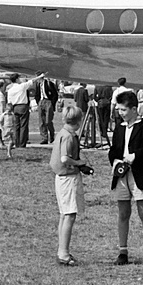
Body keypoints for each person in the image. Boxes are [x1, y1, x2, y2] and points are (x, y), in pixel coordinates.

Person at [109, 91, 143, 265]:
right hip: (122, 175)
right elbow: (114, 149)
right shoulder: (119, 127)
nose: (120, 113)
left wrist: (136, 156)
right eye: (119, 110)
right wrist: (115, 160)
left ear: (134, 109)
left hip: (140, 175)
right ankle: (122, 251)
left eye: (123, 110)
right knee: (123, 213)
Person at [50, 106, 90, 266]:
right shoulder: (68, 136)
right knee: (70, 214)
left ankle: (62, 249)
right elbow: (65, 158)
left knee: (64, 214)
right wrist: (79, 163)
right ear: (79, 121)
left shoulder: (62, 132)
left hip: (60, 177)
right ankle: (64, 253)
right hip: (68, 177)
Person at [6, 74, 31, 148]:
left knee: (16, 126)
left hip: (15, 107)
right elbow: (31, 81)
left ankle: (17, 143)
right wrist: (40, 76)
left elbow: (9, 102)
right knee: (23, 125)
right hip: (23, 106)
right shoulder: (21, 86)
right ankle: (22, 143)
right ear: (17, 79)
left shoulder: (10, 90)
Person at [36, 74, 59, 145]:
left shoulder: (49, 84)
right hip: (41, 102)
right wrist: (38, 102)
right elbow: (37, 94)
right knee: (41, 122)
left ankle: (52, 135)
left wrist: (52, 103)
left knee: (48, 121)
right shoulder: (38, 85)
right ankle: (44, 138)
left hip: (48, 101)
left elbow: (55, 95)